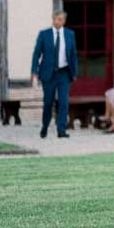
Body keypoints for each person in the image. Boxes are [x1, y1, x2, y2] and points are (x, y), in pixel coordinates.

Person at [30, 10, 78, 139]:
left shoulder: (69, 34)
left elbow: (73, 55)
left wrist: (74, 73)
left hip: (64, 73)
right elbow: (36, 54)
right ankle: (45, 125)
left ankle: (61, 130)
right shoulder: (44, 34)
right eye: (57, 19)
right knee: (48, 102)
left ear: (64, 21)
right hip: (48, 73)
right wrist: (34, 71)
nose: (59, 22)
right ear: (53, 19)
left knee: (63, 102)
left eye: (62, 19)